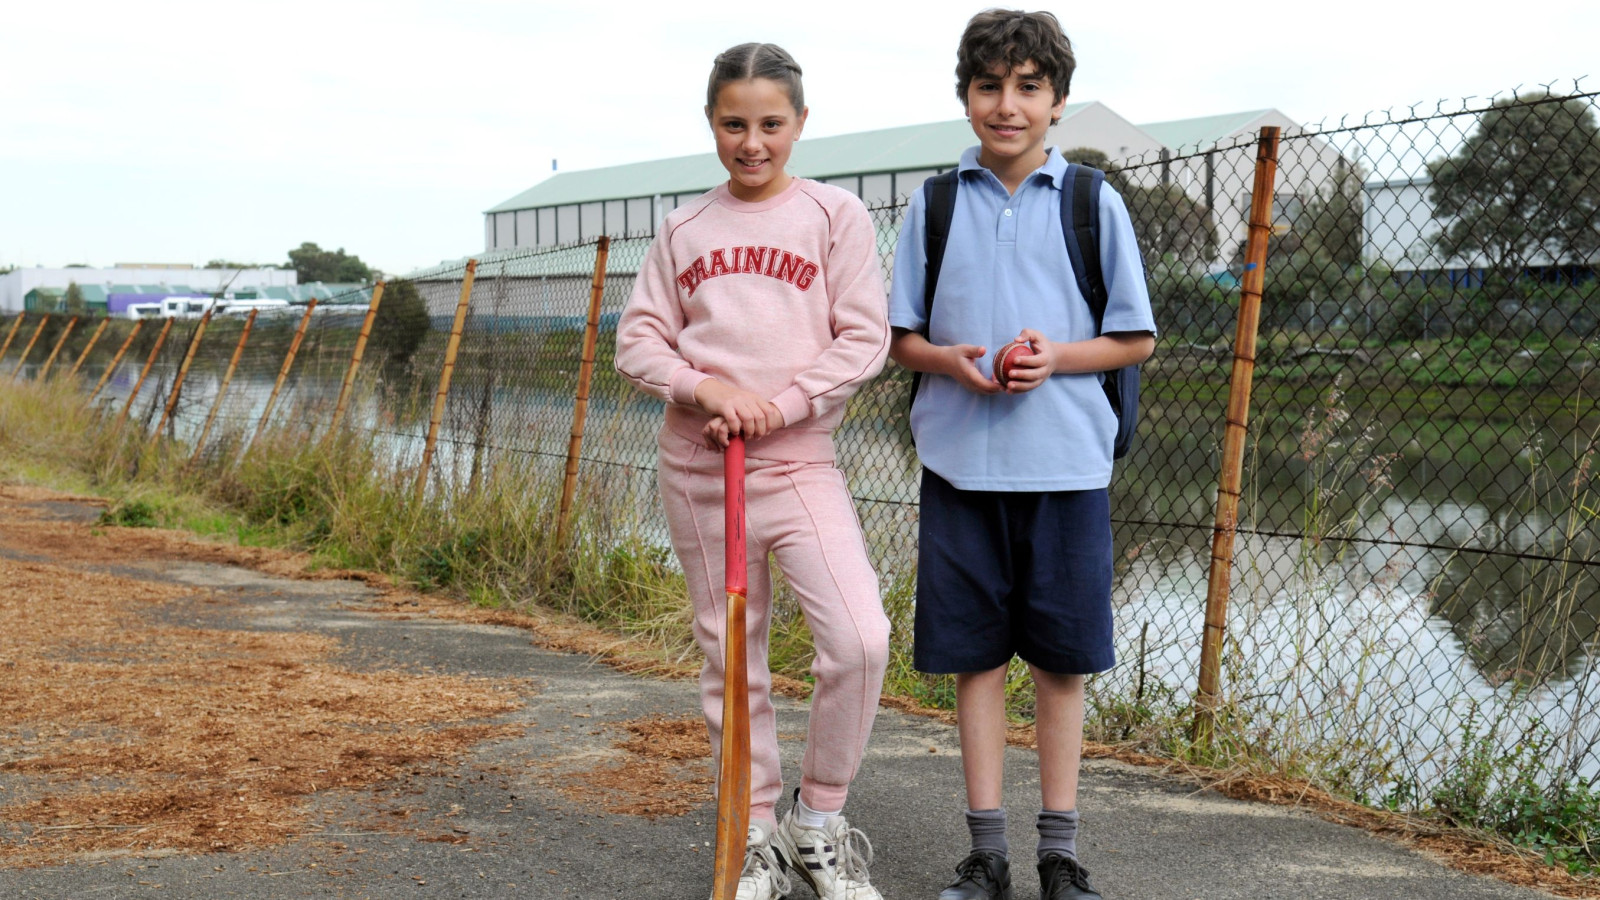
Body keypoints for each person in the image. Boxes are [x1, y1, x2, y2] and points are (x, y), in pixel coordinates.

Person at [887, 10, 1156, 900]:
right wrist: (950, 363)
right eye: (989, 85)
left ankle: (1060, 855)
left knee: (1060, 664)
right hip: (959, 470)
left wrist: (1056, 359)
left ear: (1059, 102)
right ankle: (987, 854)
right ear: (966, 95)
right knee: (974, 664)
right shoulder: (933, 204)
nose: (1008, 105)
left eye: (1028, 87)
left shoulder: (1092, 202)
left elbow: (1134, 339)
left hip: (1068, 470)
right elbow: (903, 340)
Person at [614, 41, 892, 900]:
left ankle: (819, 823)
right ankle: (756, 833)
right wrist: (706, 387)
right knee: (733, 658)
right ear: (712, 123)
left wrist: (785, 402)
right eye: (734, 124)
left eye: (771, 124)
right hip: (701, 467)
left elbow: (864, 338)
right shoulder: (683, 229)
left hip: (797, 460)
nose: (752, 143)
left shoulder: (834, 218)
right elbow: (638, 341)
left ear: (800, 124)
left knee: (859, 638)